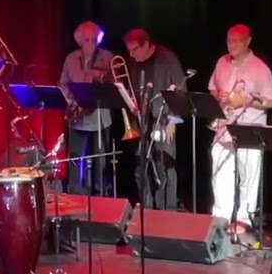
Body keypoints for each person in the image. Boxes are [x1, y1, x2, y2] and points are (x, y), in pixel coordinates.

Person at [207, 24, 272, 231]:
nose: (232, 45)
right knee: (220, 173)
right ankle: (221, 217)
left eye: (237, 41)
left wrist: (245, 101)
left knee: (249, 175)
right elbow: (212, 88)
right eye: (229, 41)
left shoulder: (260, 68)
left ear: (248, 41)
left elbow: (271, 101)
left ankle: (244, 218)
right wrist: (221, 101)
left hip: (249, 128)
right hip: (224, 127)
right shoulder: (221, 62)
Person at [123, 28, 188, 210]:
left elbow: (181, 91)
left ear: (146, 45)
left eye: (134, 49)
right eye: (129, 50)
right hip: (142, 120)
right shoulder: (134, 61)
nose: (131, 54)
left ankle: (167, 210)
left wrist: (174, 120)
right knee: (141, 166)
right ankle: (147, 208)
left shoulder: (168, 59)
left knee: (164, 166)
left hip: (164, 120)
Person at [58, 21, 114, 195]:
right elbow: (62, 84)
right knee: (75, 158)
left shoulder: (107, 57)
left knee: (101, 160)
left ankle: (100, 194)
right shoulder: (70, 59)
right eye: (87, 40)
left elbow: (115, 85)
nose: (91, 43)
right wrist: (71, 101)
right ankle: (76, 194)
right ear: (79, 41)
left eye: (94, 39)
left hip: (100, 117)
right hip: (77, 116)